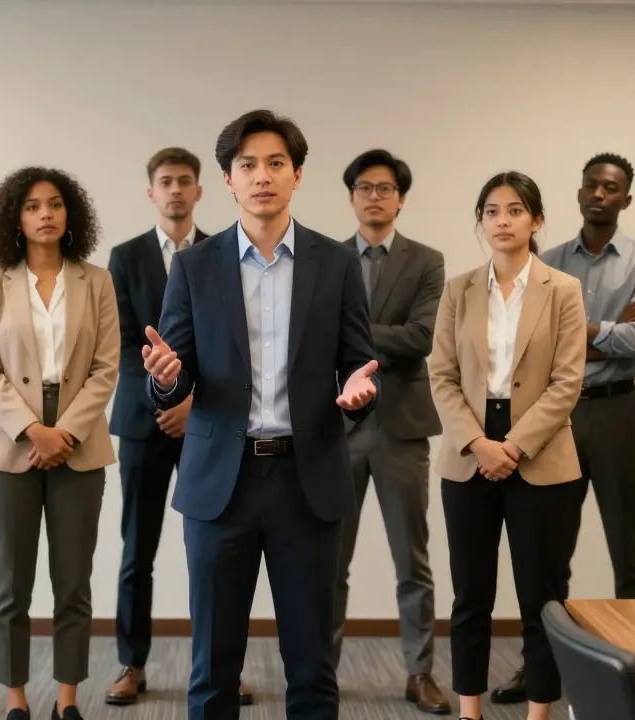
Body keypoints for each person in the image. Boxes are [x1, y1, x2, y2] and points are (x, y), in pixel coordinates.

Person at [143, 108, 381, 720]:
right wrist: (168, 382)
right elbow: (177, 368)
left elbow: (359, 363)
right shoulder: (195, 266)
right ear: (227, 179)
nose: (262, 175)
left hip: (309, 484)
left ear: (297, 174)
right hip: (223, 484)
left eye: (276, 163)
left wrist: (360, 392)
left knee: (312, 668)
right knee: (212, 668)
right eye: (247, 165)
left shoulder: (336, 263)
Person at [493, 153, 635, 704]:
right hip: (554, 415)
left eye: (610, 188)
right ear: (579, 192)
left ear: (625, 199)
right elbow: (531, 339)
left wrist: (577, 331)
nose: (599, 193)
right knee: (547, 552)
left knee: (627, 546)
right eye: (591, 184)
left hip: (616, 413)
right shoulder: (549, 259)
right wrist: (604, 329)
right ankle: (541, 671)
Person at [429, 171, 585, 720]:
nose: (502, 220)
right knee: (470, 596)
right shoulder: (458, 289)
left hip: (541, 456)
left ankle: (539, 711)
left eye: (515, 210)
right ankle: (469, 710)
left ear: (536, 220)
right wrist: (478, 442)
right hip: (468, 453)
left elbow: (568, 382)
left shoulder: (563, 289)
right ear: (480, 222)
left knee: (542, 597)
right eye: (491, 211)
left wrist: (513, 447)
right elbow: (442, 377)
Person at [105, 147, 253, 707]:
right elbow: (122, 347)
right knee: (136, 549)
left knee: (218, 554)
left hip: (210, 424)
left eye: (184, 182)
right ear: (151, 192)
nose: (174, 190)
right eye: (164, 182)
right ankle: (130, 662)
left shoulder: (224, 253)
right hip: (144, 426)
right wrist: (163, 404)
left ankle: (221, 667)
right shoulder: (125, 256)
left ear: (200, 191)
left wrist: (194, 407)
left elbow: (230, 348)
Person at [0, 166, 120, 720]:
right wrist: (33, 429)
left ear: (70, 214)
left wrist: (67, 431)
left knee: (73, 582)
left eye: (55, 204)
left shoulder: (97, 281)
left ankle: (66, 700)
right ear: (16, 216)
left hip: (79, 440)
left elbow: (106, 368)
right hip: (11, 442)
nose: (45, 214)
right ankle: (14, 700)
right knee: (11, 583)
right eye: (33, 206)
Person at [331, 149, 450, 715]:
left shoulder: (427, 260)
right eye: (364, 187)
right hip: (337, 427)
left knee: (413, 560)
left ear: (400, 198)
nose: (374, 196)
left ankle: (419, 672)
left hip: (401, 427)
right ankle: (321, 670)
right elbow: (311, 340)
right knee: (330, 558)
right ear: (352, 196)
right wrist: (375, 337)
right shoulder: (326, 259)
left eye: (385, 188)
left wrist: (349, 337)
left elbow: (422, 337)